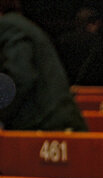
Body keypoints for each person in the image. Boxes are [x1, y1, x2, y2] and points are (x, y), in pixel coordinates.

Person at [0, 0, 87, 130]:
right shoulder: (20, 24)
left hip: (49, 127)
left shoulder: (7, 25)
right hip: (54, 124)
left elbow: (21, 77)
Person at [56, 7, 103, 86]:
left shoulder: (62, 41)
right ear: (95, 23)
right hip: (93, 91)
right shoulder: (102, 44)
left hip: (66, 89)